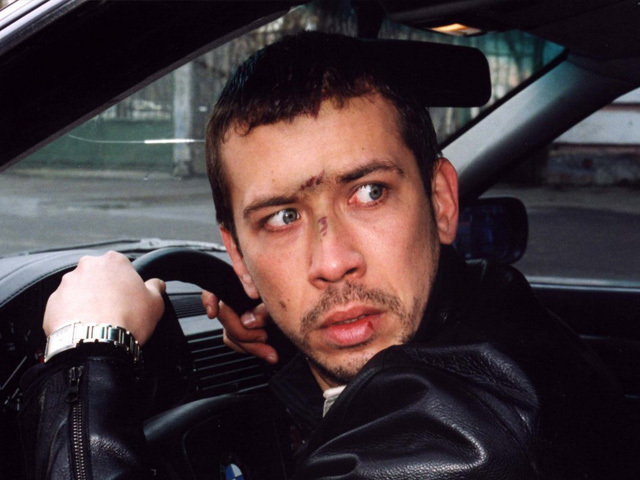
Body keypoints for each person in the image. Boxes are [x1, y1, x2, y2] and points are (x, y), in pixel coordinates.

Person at [19, 32, 633, 479]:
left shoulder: (458, 440)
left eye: (369, 193)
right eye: (282, 218)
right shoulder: (496, 314)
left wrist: (86, 353)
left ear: (442, 201)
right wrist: (296, 340)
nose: (333, 262)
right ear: (238, 257)